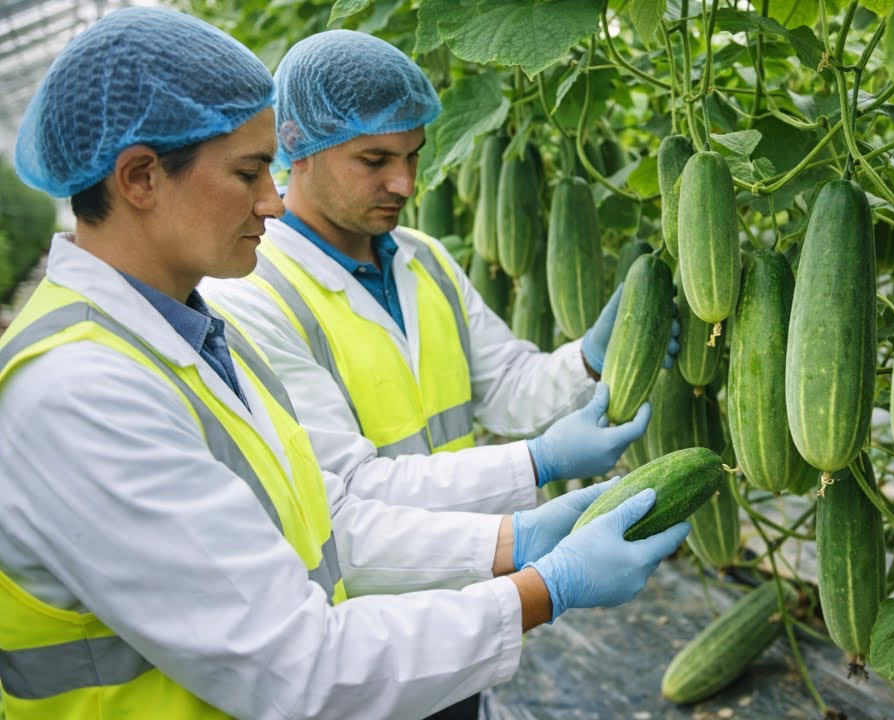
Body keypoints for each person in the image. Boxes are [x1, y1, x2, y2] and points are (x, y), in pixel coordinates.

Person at [0, 8, 689, 719]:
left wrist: (520, 537)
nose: (271, 197)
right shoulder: (81, 392)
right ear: (140, 178)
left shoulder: (186, 336)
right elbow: (297, 666)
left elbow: (326, 520)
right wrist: (547, 585)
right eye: (248, 171)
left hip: (402, 648)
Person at [200, 29, 681, 523]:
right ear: (297, 147)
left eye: (413, 154)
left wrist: (590, 360)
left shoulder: (424, 257)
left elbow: (505, 387)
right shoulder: (249, 297)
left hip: (476, 579)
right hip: (364, 596)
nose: (405, 183)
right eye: (375, 160)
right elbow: (349, 488)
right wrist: (536, 462)